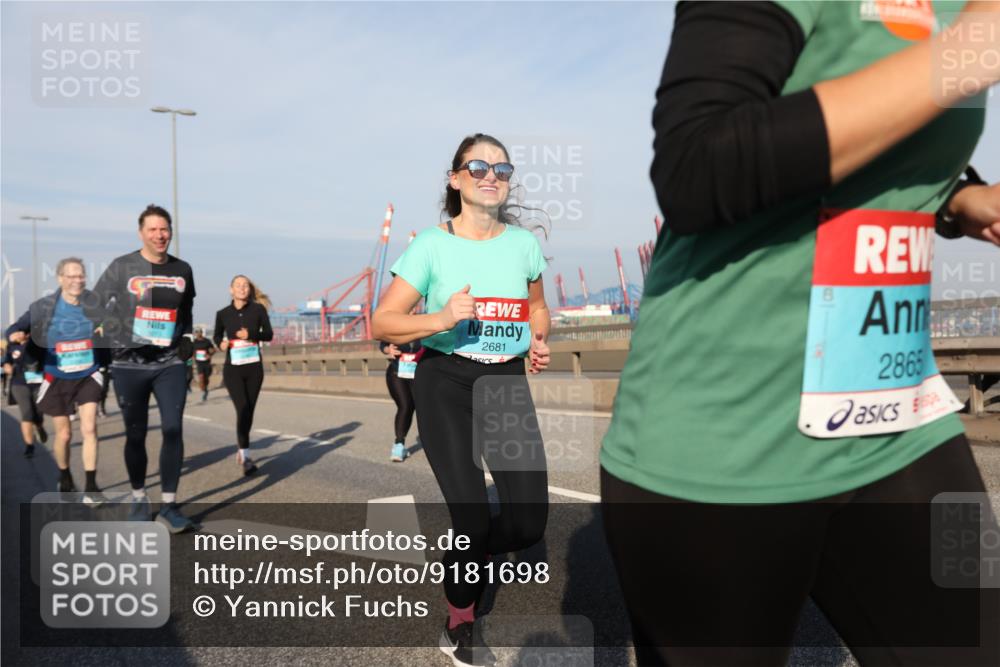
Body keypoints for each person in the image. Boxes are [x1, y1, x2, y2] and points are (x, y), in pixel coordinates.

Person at [599, 3, 1000, 665]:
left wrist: (958, 199)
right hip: (724, 436)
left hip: (893, 415)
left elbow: (875, 136)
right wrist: (964, 54)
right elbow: (695, 164)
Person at [373, 133, 552, 667]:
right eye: (477, 166)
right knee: (472, 519)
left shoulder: (522, 245)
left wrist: (540, 337)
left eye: (501, 167)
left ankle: (462, 553)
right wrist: (442, 318)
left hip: (506, 383)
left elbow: (538, 308)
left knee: (528, 525)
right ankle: (459, 618)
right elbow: (383, 321)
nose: (490, 174)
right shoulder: (431, 244)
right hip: (445, 381)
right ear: (455, 179)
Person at [93, 204, 197, 533]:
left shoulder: (183, 269)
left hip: (169, 363)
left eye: (164, 229)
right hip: (129, 364)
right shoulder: (122, 266)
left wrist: (188, 339)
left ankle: (168, 505)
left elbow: (188, 309)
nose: (159, 235)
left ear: (171, 231)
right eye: (152, 229)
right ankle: (139, 497)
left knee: (172, 429)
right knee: (136, 434)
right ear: (141, 233)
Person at [6, 257, 108, 504]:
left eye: (81, 275)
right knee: (63, 434)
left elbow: (114, 324)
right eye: (71, 276)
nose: (77, 280)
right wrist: (15, 335)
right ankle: (64, 475)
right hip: (57, 376)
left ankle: (92, 486)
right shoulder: (44, 306)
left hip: (88, 373)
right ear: (60, 279)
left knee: (90, 428)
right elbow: (15, 328)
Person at [213, 275, 273, 476]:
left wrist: (252, 335)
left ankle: (242, 449)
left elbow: (269, 335)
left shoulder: (258, 310)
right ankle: (245, 456)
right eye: (238, 285)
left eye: (245, 285)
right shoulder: (222, 314)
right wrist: (220, 344)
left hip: (254, 368)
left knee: (249, 411)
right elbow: (216, 336)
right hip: (233, 369)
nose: (242, 288)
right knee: (243, 407)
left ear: (249, 289)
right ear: (231, 290)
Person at [2, 339, 48, 458]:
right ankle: (29, 446)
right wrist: (7, 365)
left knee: (38, 414)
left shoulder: (39, 343)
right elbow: (6, 360)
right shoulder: (12, 346)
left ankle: (39, 426)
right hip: (19, 383)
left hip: (38, 382)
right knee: (27, 413)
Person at [379, 338, 422, 462]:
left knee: (419, 407)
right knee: (406, 405)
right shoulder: (396, 322)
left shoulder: (425, 321)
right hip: (397, 372)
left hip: (418, 373)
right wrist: (388, 349)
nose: (413, 316)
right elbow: (383, 344)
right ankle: (398, 445)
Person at [192, 327, 216, 402]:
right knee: (201, 377)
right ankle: (204, 391)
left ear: (201, 333)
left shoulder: (207, 341)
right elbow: (192, 351)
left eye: (198, 332)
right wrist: (193, 356)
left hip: (206, 362)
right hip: (199, 362)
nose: (197, 333)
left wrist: (210, 355)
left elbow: (213, 349)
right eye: (196, 332)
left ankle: (205, 388)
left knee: (206, 378)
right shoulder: (194, 342)